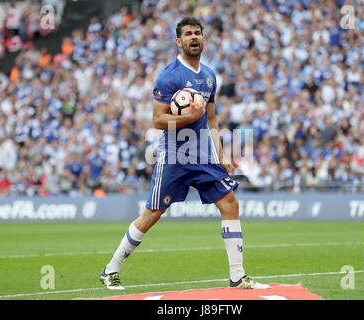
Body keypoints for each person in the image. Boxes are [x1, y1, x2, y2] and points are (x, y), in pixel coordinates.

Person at [100, 17, 269, 290]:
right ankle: (111, 269)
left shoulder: (210, 76)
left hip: (203, 155)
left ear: (203, 39)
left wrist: (222, 154)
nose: (194, 37)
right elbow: (157, 121)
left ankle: (237, 277)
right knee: (152, 214)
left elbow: (211, 120)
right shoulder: (169, 75)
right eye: (188, 33)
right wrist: (189, 115)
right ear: (178, 41)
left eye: (198, 33)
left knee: (230, 204)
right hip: (174, 156)